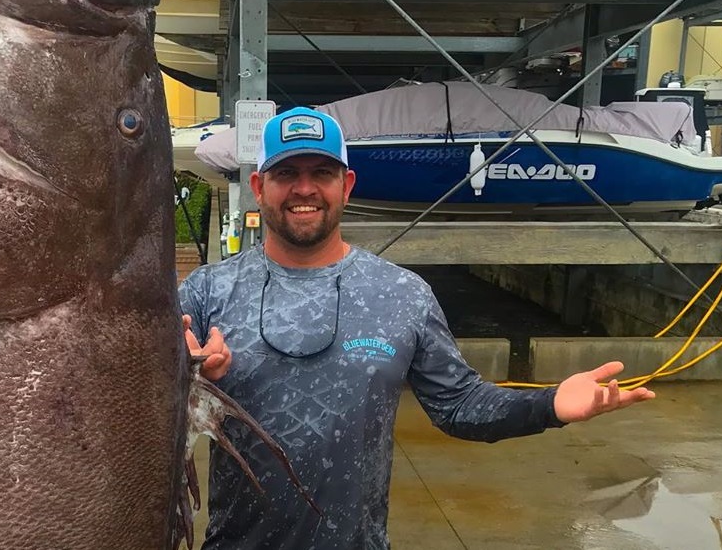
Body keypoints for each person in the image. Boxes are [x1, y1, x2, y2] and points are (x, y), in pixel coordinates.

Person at [179, 106, 655, 550]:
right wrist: (183, 371)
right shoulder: (205, 293)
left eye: (320, 173)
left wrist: (548, 404)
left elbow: (460, 406)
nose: (304, 188)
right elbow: (135, 408)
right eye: (287, 173)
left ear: (346, 185)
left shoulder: (402, 293)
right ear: (260, 186)